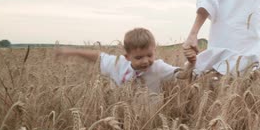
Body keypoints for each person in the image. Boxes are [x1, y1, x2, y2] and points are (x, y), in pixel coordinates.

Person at [55, 27, 192, 93]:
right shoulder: (118, 64)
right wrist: (71, 51)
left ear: (154, 51)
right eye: (139, 57)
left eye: (149, 55)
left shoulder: (158, 67)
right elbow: (97, 56)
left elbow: (181, 74)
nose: (145, 61)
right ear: (127, 56)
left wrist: (192, 62)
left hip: (151, 120)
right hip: (121, 117)